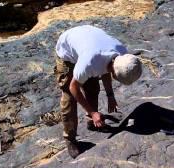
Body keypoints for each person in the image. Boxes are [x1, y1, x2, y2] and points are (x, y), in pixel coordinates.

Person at [54, 25, 142, 158]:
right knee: (69, 99)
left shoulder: (122, 55)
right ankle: (70, 139)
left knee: (92, 88)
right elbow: (74, 87)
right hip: (67, 53)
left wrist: (110, 96)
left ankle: (92, 122)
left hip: (87, 43)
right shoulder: (90, 62)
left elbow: (106, 68)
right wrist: (93, 112)